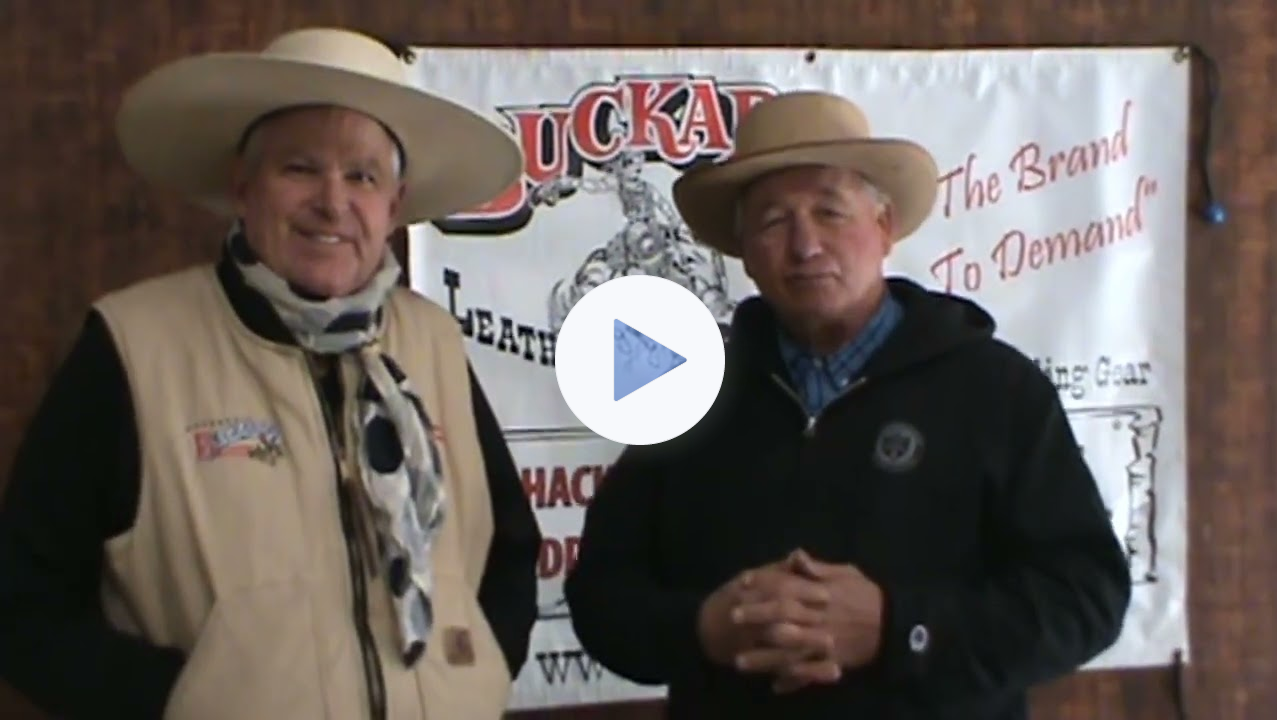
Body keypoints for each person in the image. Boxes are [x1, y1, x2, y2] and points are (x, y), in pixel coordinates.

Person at [0, 28, 541, 720]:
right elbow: (24, 605)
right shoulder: (134, 346)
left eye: (362, 176)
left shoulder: (432, 341)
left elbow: (507, 553)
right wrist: (185, 701)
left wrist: (473, 681)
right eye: (300, 169)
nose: (332, 202)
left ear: (394, 205)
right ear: (242, 186)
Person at [563, 90, 1132, 719]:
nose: (805, 245)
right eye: (775, 221)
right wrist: (703, 629)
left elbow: (1087, 598)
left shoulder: (997, 389)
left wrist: (901, 629)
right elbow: (601, 598)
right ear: (743, 251)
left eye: (830, 212)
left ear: (884, 228)